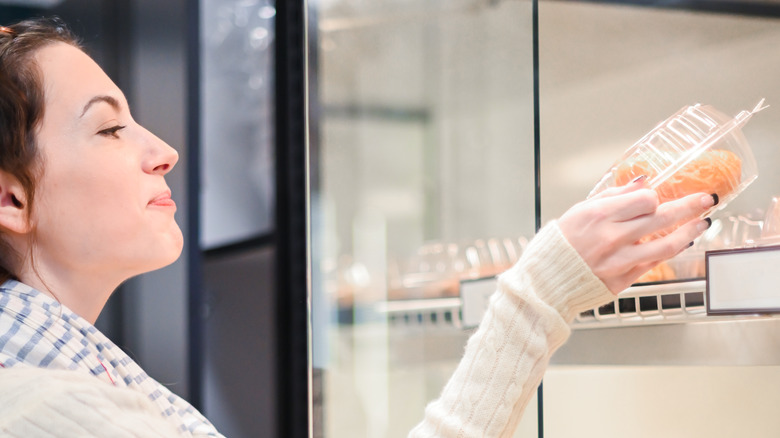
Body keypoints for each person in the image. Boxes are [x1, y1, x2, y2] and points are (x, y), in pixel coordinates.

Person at [0, 17, 716, 438]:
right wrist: (540, 288)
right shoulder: (51, 410)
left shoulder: (63, 373)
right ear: (11, 200)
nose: (164, 152)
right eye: (110, 127)